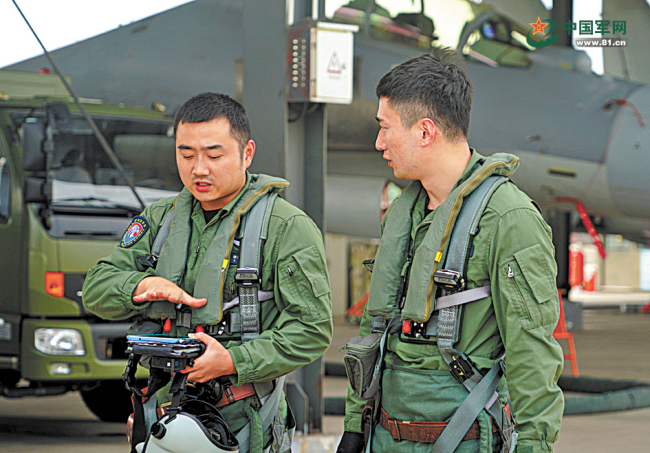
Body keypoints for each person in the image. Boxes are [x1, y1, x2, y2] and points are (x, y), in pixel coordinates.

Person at [337, 48, 564, 453]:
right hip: (384, 436)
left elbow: (533, 355)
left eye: (385, 128)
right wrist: (355, 426)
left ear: (425, 132)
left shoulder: (509, 220)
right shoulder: (402, 215)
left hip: (464, 438)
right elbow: (376, 331)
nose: (378, 142)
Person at [82, 92, 333, 453]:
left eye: (214, 155)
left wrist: (233, 360)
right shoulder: (159, 221)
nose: (199, 168)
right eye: (186, 155)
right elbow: (96, 288)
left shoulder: (287, 227)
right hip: (163, 414)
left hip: (243, 421)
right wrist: (140, 285)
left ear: (247, 153)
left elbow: (311, 330)